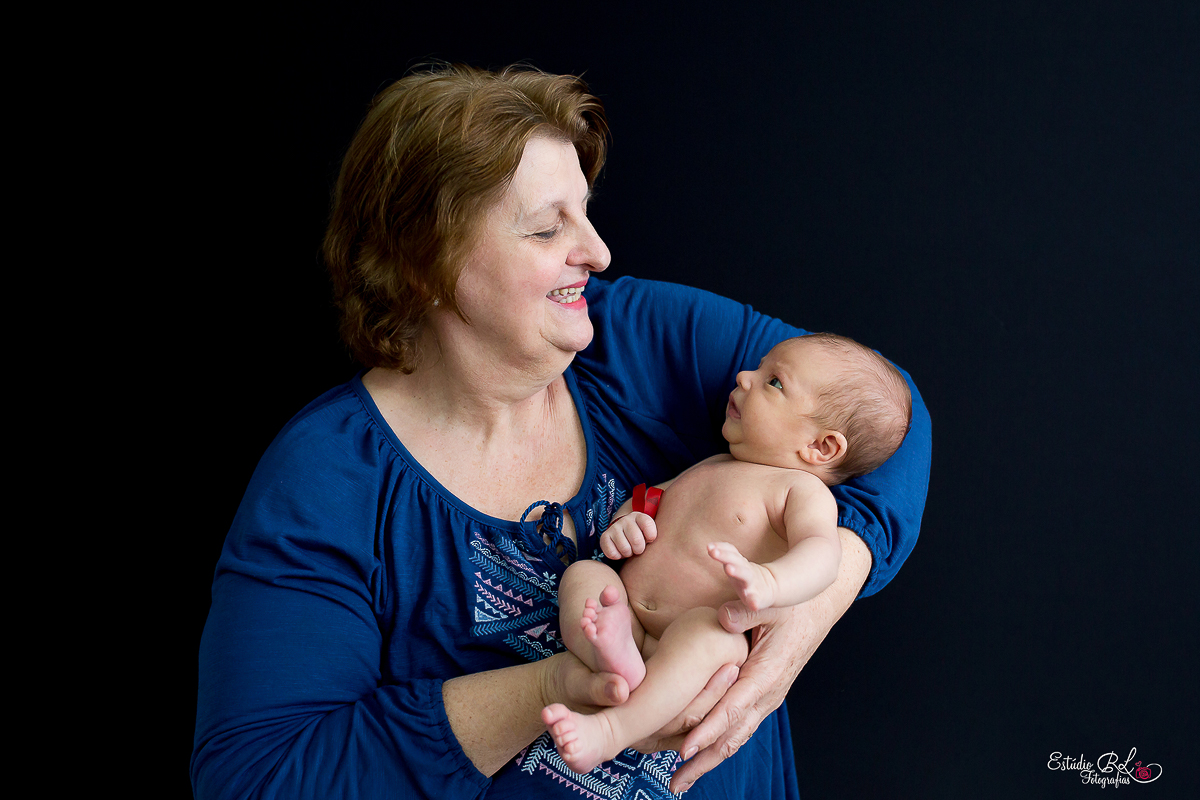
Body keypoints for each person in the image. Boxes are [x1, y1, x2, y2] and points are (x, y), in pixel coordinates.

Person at [191, 64, 932, 800]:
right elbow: (259, 778)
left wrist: (812, 598)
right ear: (427, 263)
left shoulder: (634, 339)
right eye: (548, 228)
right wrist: (556, 686)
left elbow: (878, 408)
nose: (599, 253)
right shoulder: (329, 478)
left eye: (584, 212)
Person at [542, 333, 912, 774]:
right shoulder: (717, 463)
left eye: (774, 382)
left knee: (709, 636)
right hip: (625, 604)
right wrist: (628, 523)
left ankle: (610, 731)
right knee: (584, 575)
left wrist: (771, 581)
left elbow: (823, 554)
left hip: (697, 631)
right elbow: (655, 497)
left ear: (822, 447)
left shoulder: (802, 492)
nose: (744, 376)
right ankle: (612, 658)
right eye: (758, 367)